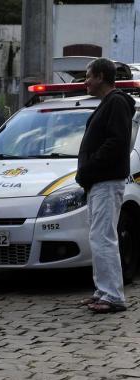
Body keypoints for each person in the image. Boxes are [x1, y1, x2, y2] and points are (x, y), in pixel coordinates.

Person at [76, 57, 135, 313]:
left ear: (100, 76)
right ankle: (103, 290)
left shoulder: (117, 103)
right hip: (98, 181)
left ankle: (113, 295)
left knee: (104, 238)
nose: (86, 81)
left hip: (106, 180)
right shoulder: (108, 103)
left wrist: (88, 168)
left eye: (88, 76)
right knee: (98, 237)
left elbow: (115, 143)